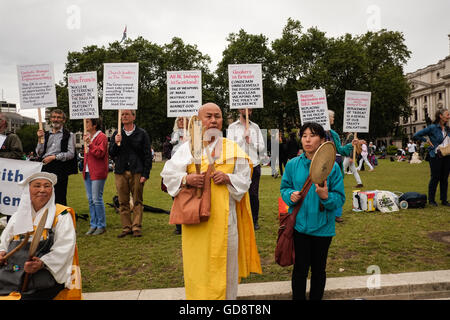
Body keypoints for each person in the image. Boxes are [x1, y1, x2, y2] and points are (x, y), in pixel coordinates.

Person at [161, 103, 261, 300]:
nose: (214, 120)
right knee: (198, 268)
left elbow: (244, 181)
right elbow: (168, 175)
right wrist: (186, 179)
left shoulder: (232, 148)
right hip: (196, 221)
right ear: (199, 121)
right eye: (209, 116)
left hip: (226, 222)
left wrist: (228, 178)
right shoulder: (188, 148)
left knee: (226, 270)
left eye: (218, 116)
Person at [280, 122, 345, 300]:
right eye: (304, 135)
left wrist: (326, 197)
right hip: (300, 227)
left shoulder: (333, 168)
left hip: (323, 228)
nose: (307, 139)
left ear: (323, 140)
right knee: (300, 269)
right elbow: (284, 188)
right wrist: (289, 195)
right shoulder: (293, 164)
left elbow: (340, 198)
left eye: (312, 135)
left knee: (318, 270)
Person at [0, 172, 80, 300]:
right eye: (37, 186)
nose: (42, 190)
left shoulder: (61, 215)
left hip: (43, 277)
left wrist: (42, 263)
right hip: (12, 275)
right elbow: (4, 241)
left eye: (47, 186)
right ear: (28, 190)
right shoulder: (17, 216)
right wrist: (2, 252)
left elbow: (65, 247)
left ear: (52, 190)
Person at [109, 109, 152, 238]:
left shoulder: (142, 134)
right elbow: (111, 153)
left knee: (138, 200)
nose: (124, 116)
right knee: (123, 201)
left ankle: (136, 226)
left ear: (133, 117)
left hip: (137, 171)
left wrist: (145, 174)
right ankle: (126, 227)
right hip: (121, 171)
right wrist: (116, 143)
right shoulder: (117, 133)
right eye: (122, 114)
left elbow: (147, 155)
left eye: (127, 114)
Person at [227, 108, 265, 230]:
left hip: (253, 164)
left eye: (249, 108)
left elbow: (262, 147)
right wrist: (242, 138)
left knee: (253, 194)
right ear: (239, 109)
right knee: (238, 193)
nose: (247, 110)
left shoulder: (255, 127)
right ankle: (239, 219)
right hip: (238, 166)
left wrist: (251, 141)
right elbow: (229, 147)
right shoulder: (232, 127)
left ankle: (254, 221)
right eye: (244, 108)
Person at [36, 109, 77, 206]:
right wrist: (39, 139)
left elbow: (71, 154)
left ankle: (60, 220)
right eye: (54, 117)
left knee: (60, 196)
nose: (56, 119)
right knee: (45, 195)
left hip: (60, 168)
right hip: (45, 167)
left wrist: (54, 157)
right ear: (50, 119)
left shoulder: (69, 135)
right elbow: (39, 152)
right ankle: (46, 219)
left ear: (64, 120)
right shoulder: (45, 135)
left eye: (59, 117)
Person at [413, 108, 450, 207]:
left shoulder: (447, 128)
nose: (449, 116)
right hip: (435, 155)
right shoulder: (432, 127)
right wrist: (426, 140)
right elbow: (416, 135)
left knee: (445, 178)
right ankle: (432, 200)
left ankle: (444, 200)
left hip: (447, 155)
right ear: (440, 116)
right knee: (435, 177)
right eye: (447, 114)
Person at [326, 110, 358, 223]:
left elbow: (341, 150)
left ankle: (337, 214)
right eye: (332, 118)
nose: (333, 120)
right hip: (322, 166)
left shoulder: (334, 134)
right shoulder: (316, 133)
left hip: (336, 166)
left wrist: (351, 144)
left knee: (337, 189)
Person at [83, 118, 109, 236]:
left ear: (95, 125)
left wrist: (90, 144)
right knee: (90, 200)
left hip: (98, 172)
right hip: (88, 171)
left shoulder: (101, 137)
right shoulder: (88, 136)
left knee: (96, 199)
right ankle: (93, 224)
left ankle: (101, 225)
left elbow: (100, 153)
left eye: (88, 122)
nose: (85, 124)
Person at [170, 117, 189, 235]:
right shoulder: (175, 133)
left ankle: (188, 221)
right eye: (179, 120)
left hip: (188, 167)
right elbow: (172, 143)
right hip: (175, 167)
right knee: (175, 195)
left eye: (184, 119)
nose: (181, 121)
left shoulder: (194, 133)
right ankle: (178, 225)